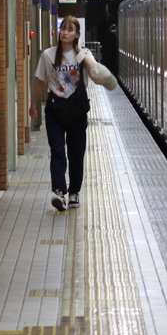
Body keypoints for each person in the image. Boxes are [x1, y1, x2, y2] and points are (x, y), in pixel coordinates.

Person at [29, 15, 118, 211]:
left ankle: (74, 192)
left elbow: (100, 75)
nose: (65, 32)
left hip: (77, 111)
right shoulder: (48, 55)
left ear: (77, 34)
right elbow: (40, 81)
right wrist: (32, 104)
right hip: (55, 110)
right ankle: (59, 192)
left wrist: (84, 55)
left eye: (70, 30)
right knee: (58, 151)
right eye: (63, 29)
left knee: (76, 154)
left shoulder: (82, 54)